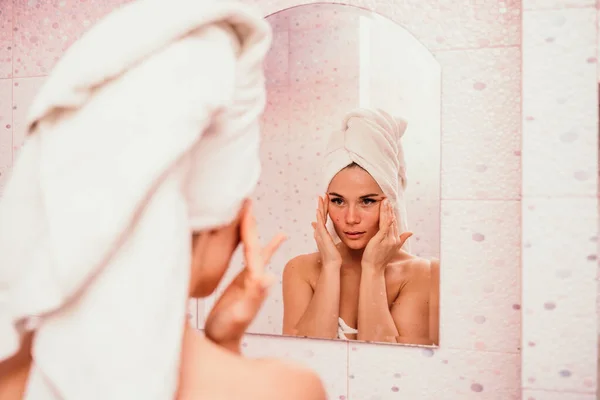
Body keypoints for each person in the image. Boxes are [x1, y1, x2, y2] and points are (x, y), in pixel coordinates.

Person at [0, 1, 326, 399]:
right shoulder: (281, 389)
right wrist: (223, 348)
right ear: (217, 218)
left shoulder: (10, 372)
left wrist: (220, 340)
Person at [282, 108, 440, 345]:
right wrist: (331, 266)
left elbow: (389, 368)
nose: (351, 218)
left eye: (367, 201)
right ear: (325, 204)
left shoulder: (425, 274)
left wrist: (373, 270)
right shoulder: (300, 270)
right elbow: (304, 357)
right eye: (338, 201)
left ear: (391, 202)